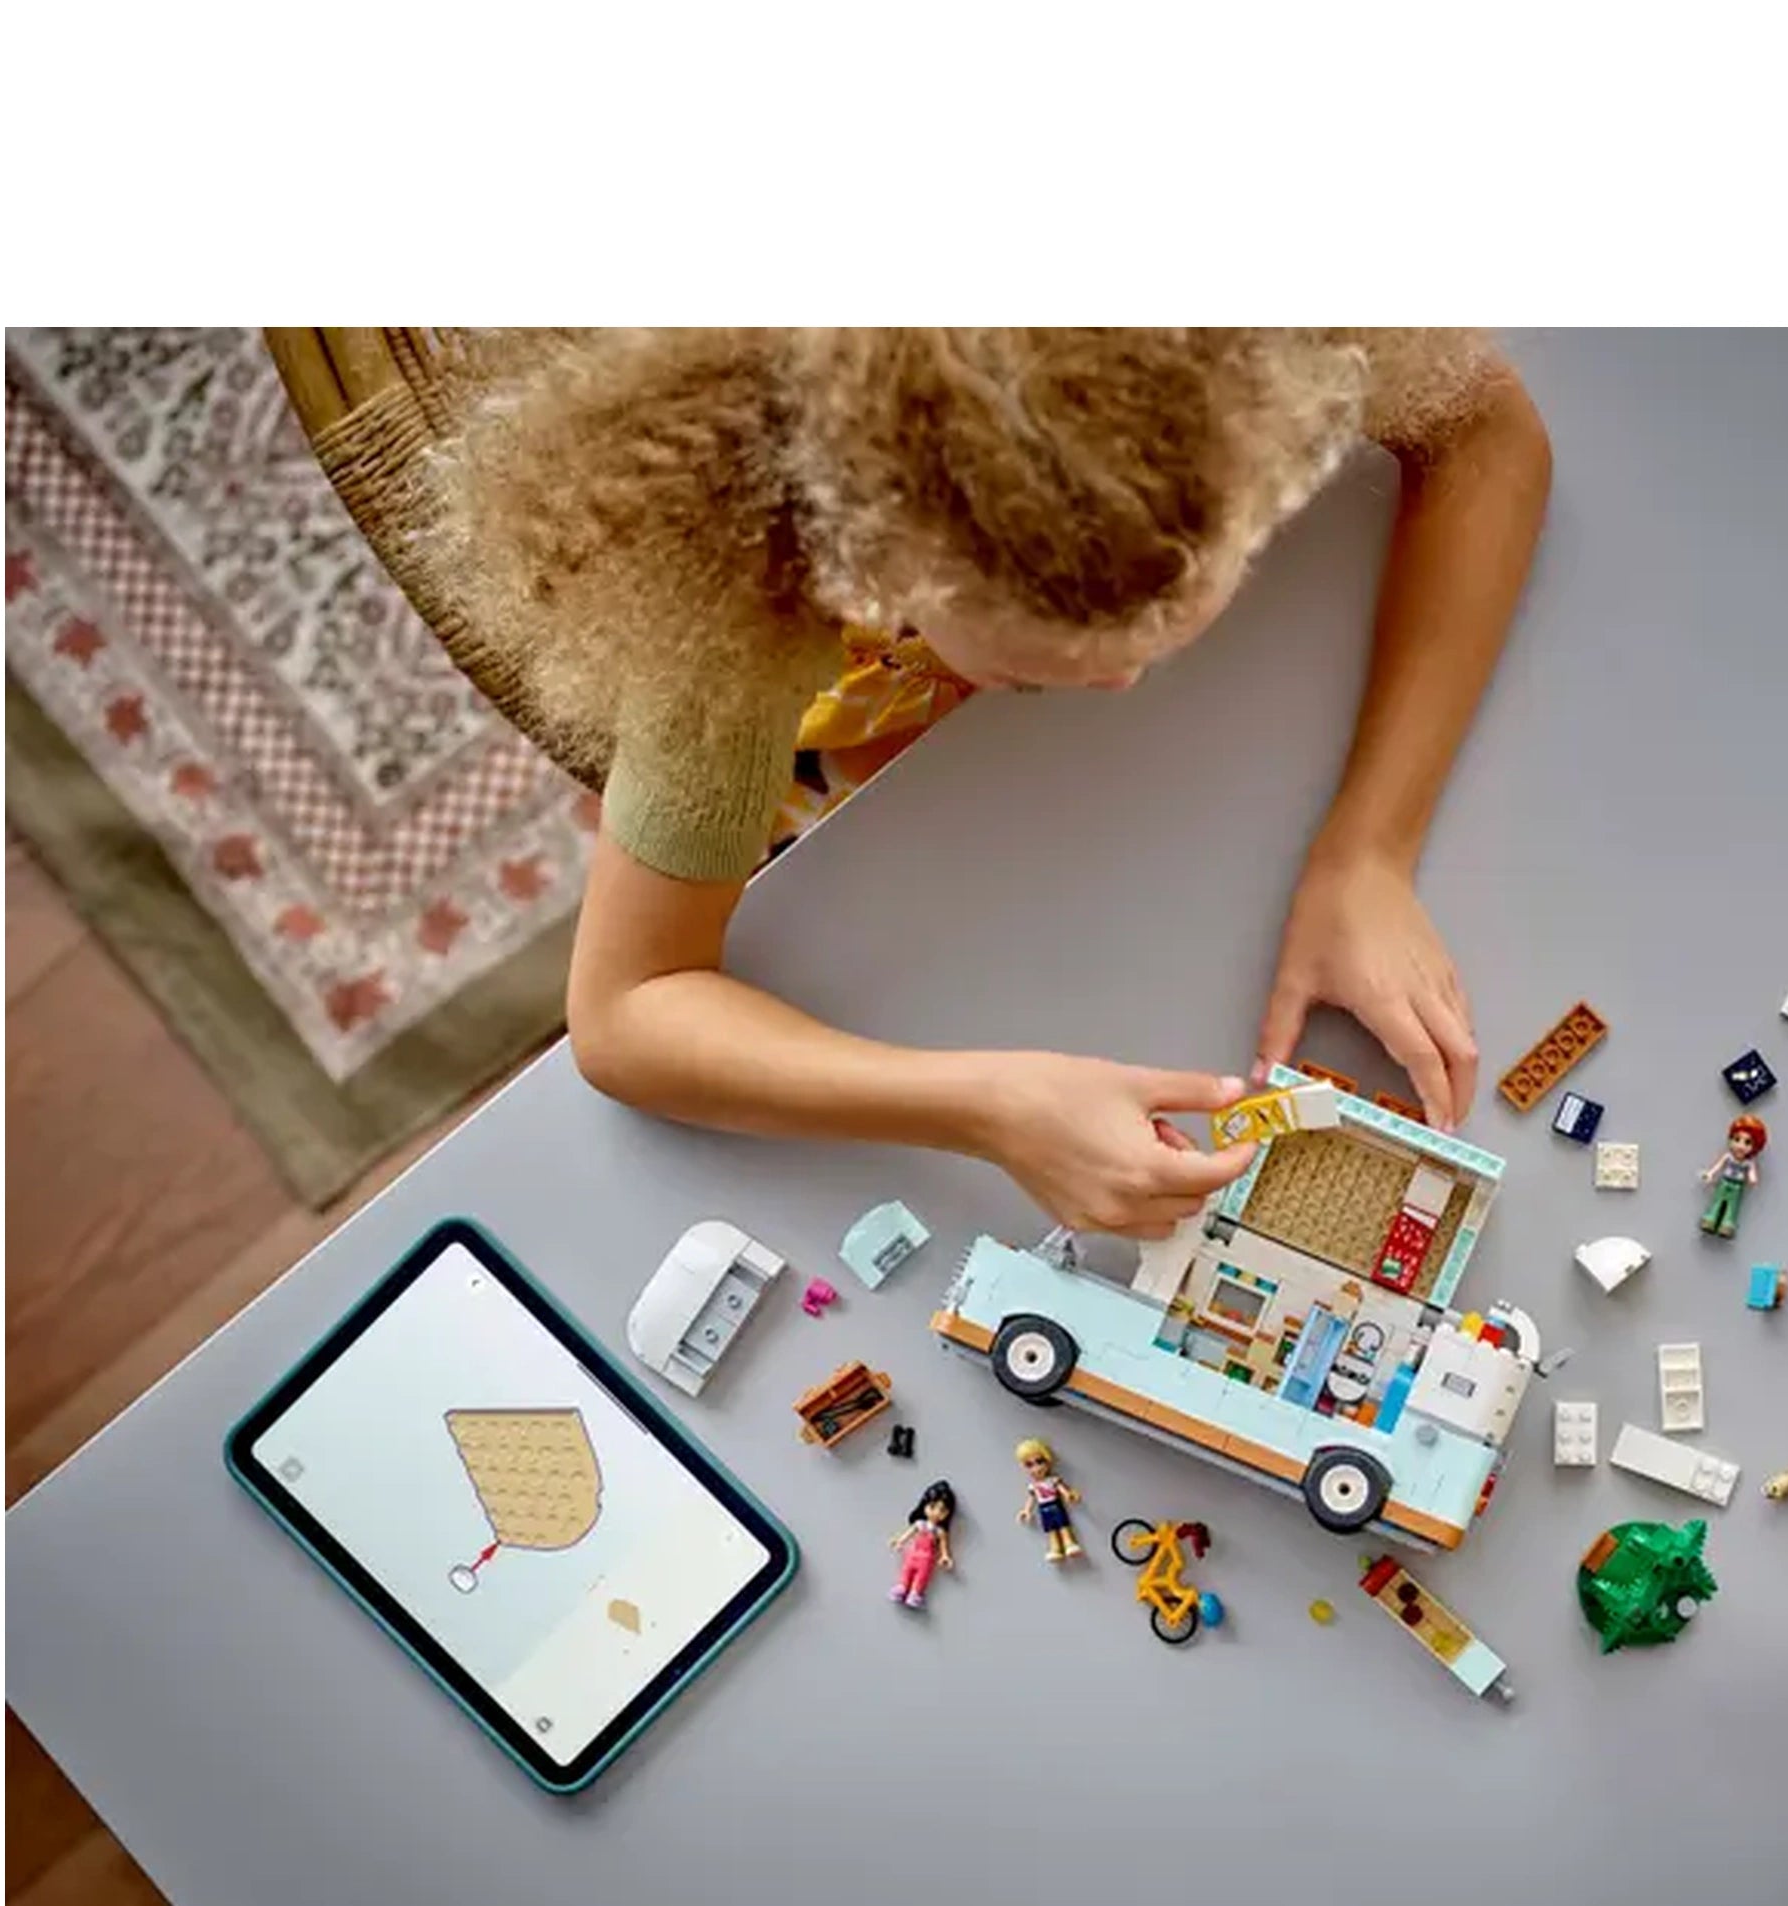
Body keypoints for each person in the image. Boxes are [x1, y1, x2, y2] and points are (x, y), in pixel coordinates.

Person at [426, 329, 1551, 1240]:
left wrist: (1370, 846)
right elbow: (625, 1015)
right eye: (1036, 669)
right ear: (878, 575)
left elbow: (1486, 432)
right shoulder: (731, 624)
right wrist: (987, 1105)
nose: (1122, 684)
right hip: (860, 777)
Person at [889, 1481, 958, 1610]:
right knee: (906, 1570)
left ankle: (915, 1593)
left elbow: (943, 1546)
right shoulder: (919, 1524)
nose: (936, 1513)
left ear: (947, 1513)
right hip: (913, 1554)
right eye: (932, 1507)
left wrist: (945, 1556)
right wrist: (899, 1541)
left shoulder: (940, 1532)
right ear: (924, 1505)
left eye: (942, 1510)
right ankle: (902, 1587)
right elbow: (908, 1534)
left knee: (922, 1576)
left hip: (926, 1559)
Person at [1699, 1115, 1768, 1239]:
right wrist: (1710, 1173)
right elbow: (1718, 1166)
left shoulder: (1748, 1162)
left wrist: (1752, 1178)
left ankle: (1727, 1224)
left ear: (1754, 1146)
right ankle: (1710, 1219)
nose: (1741, 1146)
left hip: (1737, 1186)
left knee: (1732, 1206)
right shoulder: (1728, 1157)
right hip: (1724, 1182)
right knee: (1717, 1201)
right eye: (1737, 1139)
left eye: (1747, 1142)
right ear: (1731, 1139)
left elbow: (1751, 1172)